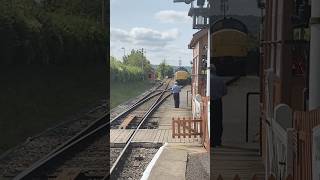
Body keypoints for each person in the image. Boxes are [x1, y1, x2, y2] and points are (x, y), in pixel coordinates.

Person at [210, 64, 227, 147]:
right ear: (215, 70)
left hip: (209, 103)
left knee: (210, 121)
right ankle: (217, 142)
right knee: (218, 121)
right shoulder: (220, 79)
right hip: (217, 102)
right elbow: (225, 92)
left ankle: (210, 141)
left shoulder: (207, 79)